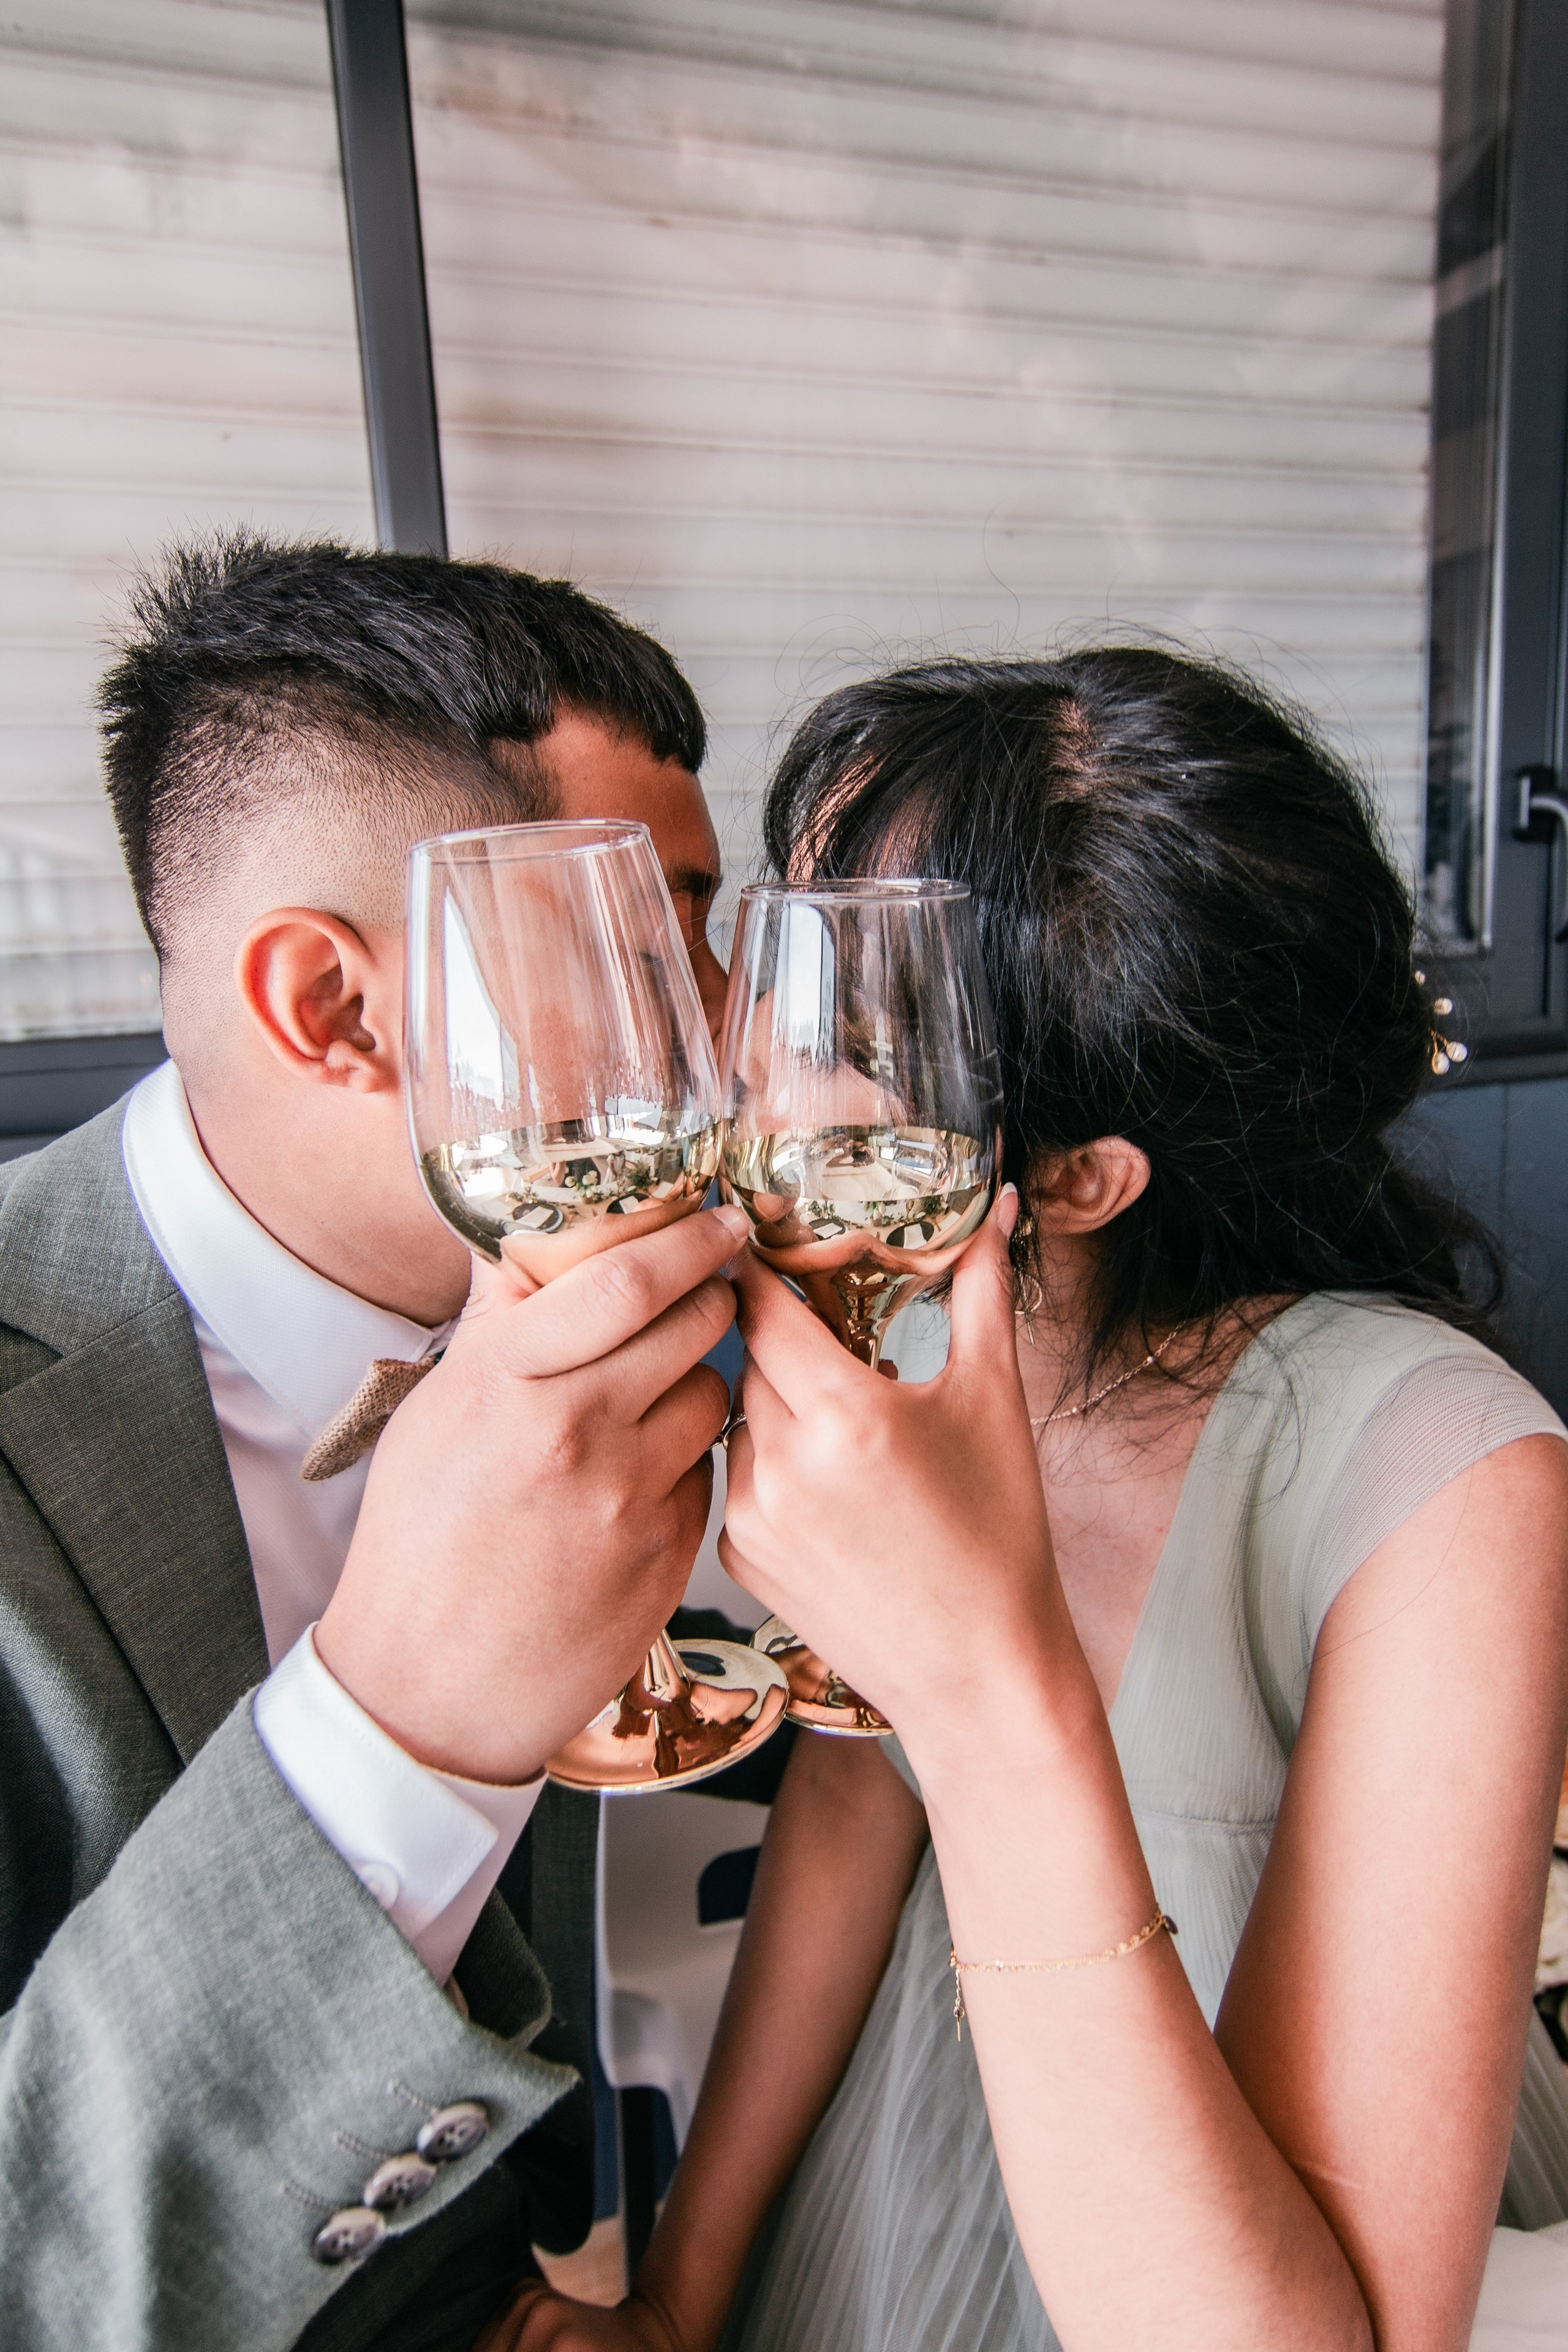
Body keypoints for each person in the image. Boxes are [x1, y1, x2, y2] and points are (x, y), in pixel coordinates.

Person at [497, 650, 1568, 2352]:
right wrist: (683, 2300)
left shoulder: (1450, 1481)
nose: (723, 1046)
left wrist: (991, 1684)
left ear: (1070, 1178)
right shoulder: (899, 1345)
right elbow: (857, 1824)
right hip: (904, 2155)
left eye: (829, 1018)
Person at [0, 530, 757, 2352]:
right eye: (648, 940)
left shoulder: (601, 1287)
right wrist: (405, 1726)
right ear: (336, 1010)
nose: (733, 1032)